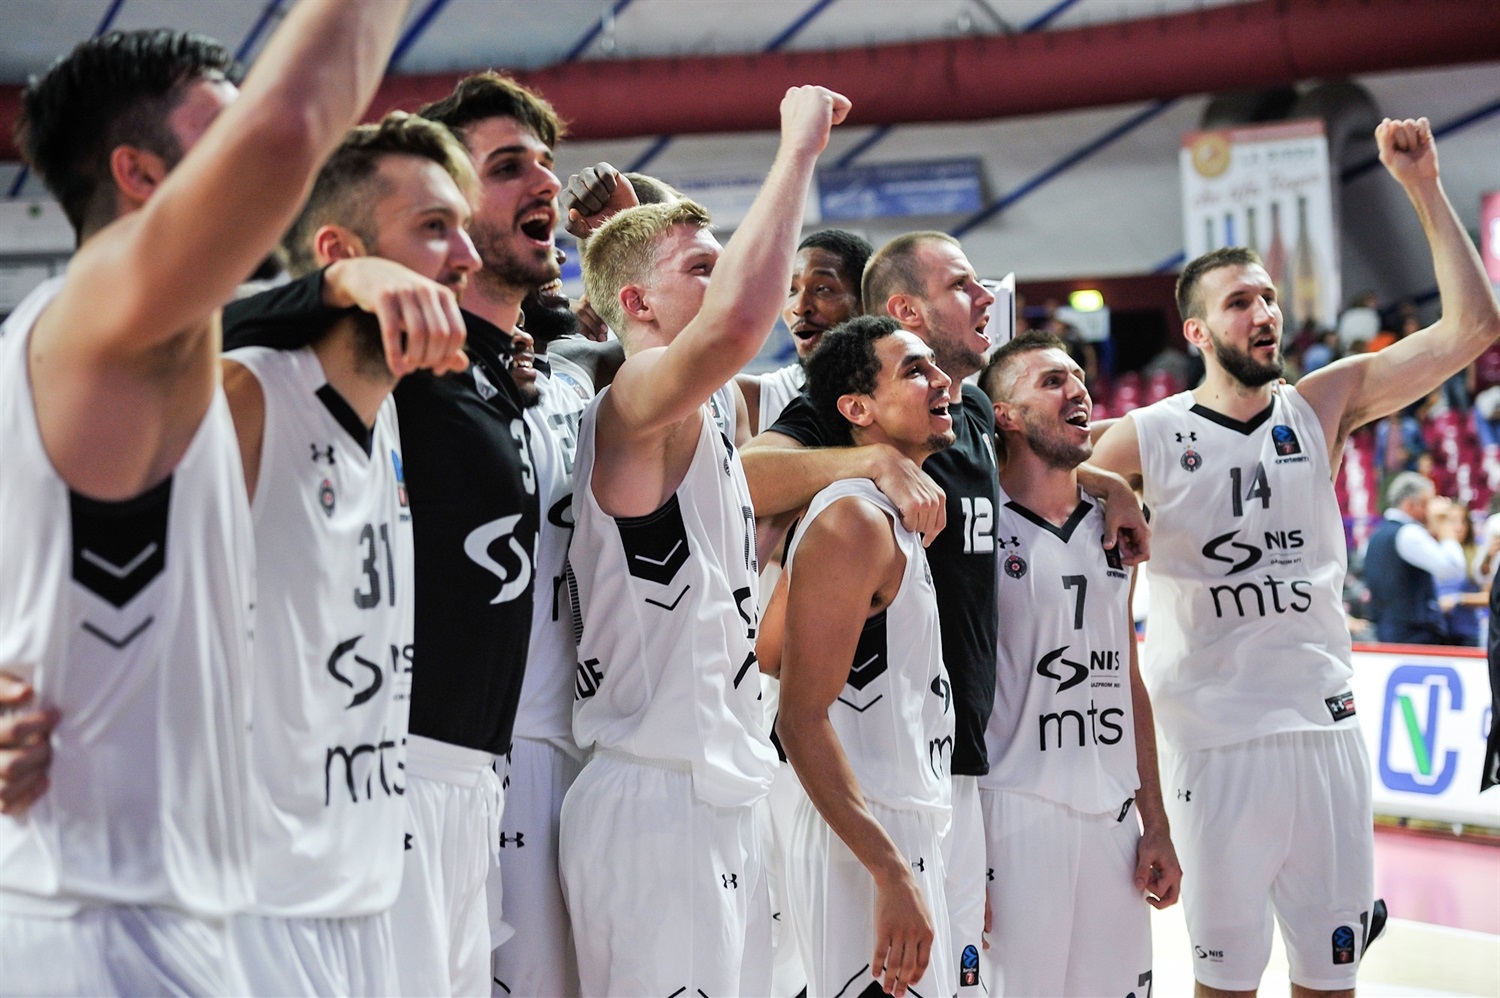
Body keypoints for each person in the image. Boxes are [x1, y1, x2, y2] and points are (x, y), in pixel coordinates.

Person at [0, 4, 407, 992]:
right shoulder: (100, 311)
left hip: (141, 906)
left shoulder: (77, 344)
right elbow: (285, 130)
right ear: (140, 174)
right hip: (105, 914)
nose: (263, 181)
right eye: (216, 141)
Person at [1090, 118, 1500, 997]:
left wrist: (1424, 186)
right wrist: (1112, 488)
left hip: (1326, 729)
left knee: (1331, 984)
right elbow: (1039, 469)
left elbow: (1472, 328)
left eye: (1269, 297)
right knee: (1225, 986)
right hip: (1213, 742)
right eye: (1240, 301)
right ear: (1197, 332)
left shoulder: (1323, 402)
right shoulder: (1150, 433)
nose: (1265, 312)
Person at [742, 230, 1147, 996]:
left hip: (949, 772)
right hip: (863, 780)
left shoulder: (958, 421)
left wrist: (1108, 484)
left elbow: (1049, 447)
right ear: (908, 312)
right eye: (964, 286)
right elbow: (749, 476)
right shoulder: (858, 437)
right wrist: (867, 459)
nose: (987, 296)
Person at [560, 85, 849, 997]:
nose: (723, 282)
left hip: (719, 788)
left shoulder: (716, 402)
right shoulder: (637, 400)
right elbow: (730, 321)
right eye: (702, 268)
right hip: (651, 798)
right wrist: (797, 149)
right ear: (637, 305)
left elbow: (680, 281)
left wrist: (633, 209)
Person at [222, 111, 475, 994]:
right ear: (343, 255)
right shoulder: (246, 392)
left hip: (370, 876)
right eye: (435, 229)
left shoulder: (393, 407)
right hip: (255, 899)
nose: (465, 258)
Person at [977, 331, 1180, 996]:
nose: (1077, 390)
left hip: (1114, 820)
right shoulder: (973, 522)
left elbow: (1127, 680)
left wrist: (1155, 820)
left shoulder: (1111, 524)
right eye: (1051, 381)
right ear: (1005, 414)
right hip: (1013, 813)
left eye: (1078, 377)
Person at [765, 315, 958, 998]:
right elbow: (799, 718)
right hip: (865, 836)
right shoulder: (852, 519)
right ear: (856, 409)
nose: (942, 380)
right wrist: (889, 871)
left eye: (936, 366)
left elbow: (767, 650)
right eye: (914, 369)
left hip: (898, 822)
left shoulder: (881, 513)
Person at [736, 228, 873, 433]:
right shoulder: (753, 397)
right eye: (792, 289)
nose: (800, 307)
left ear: (866, 304)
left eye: (822, 289)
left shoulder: (909, 391)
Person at [1362, 471, 1467, 645]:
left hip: (1387, 630)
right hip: (1415, 635)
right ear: (1410, 505)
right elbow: (1453, 570)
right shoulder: (1410, 533)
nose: (1430, 510)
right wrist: (1445, 523)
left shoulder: (1377, 534)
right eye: (1427, 503)